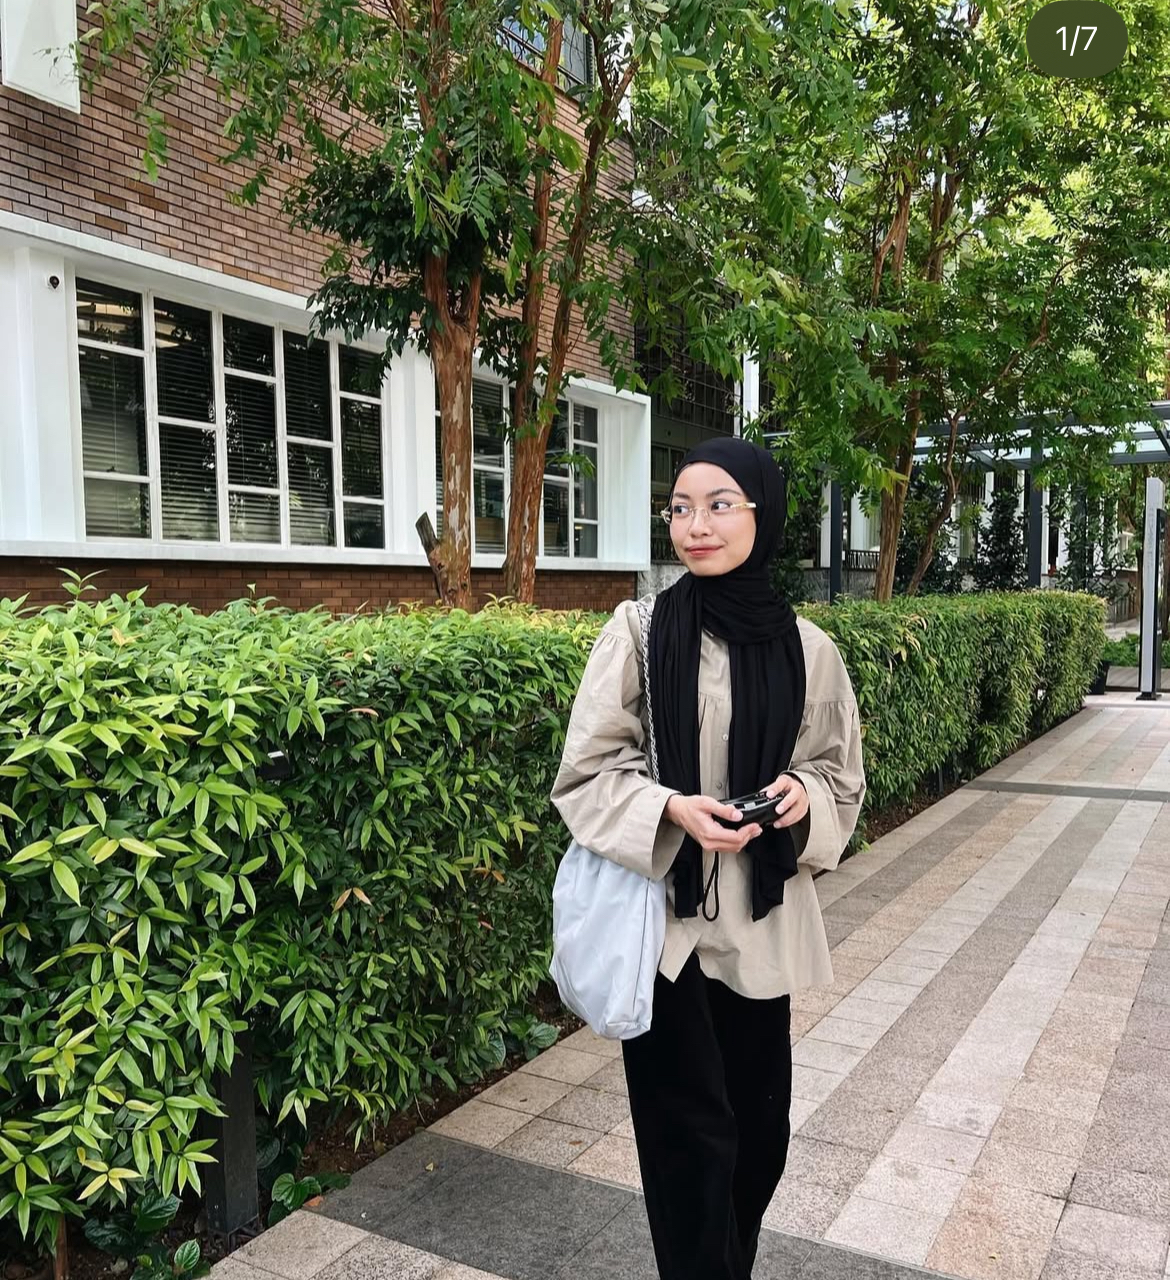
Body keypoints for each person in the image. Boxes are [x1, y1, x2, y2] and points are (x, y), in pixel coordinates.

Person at [550, 437, 866, 1280]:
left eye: (720, 505)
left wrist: (801, 794)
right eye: (681, 508)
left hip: (761, 926)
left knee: (758, 1142)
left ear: (764, 515)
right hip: (667, 925)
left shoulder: (809, 649)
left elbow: (840, 775)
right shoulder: (638, 632)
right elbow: (586, 774)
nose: (696, 525)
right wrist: (669, 810)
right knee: (690, 1147)